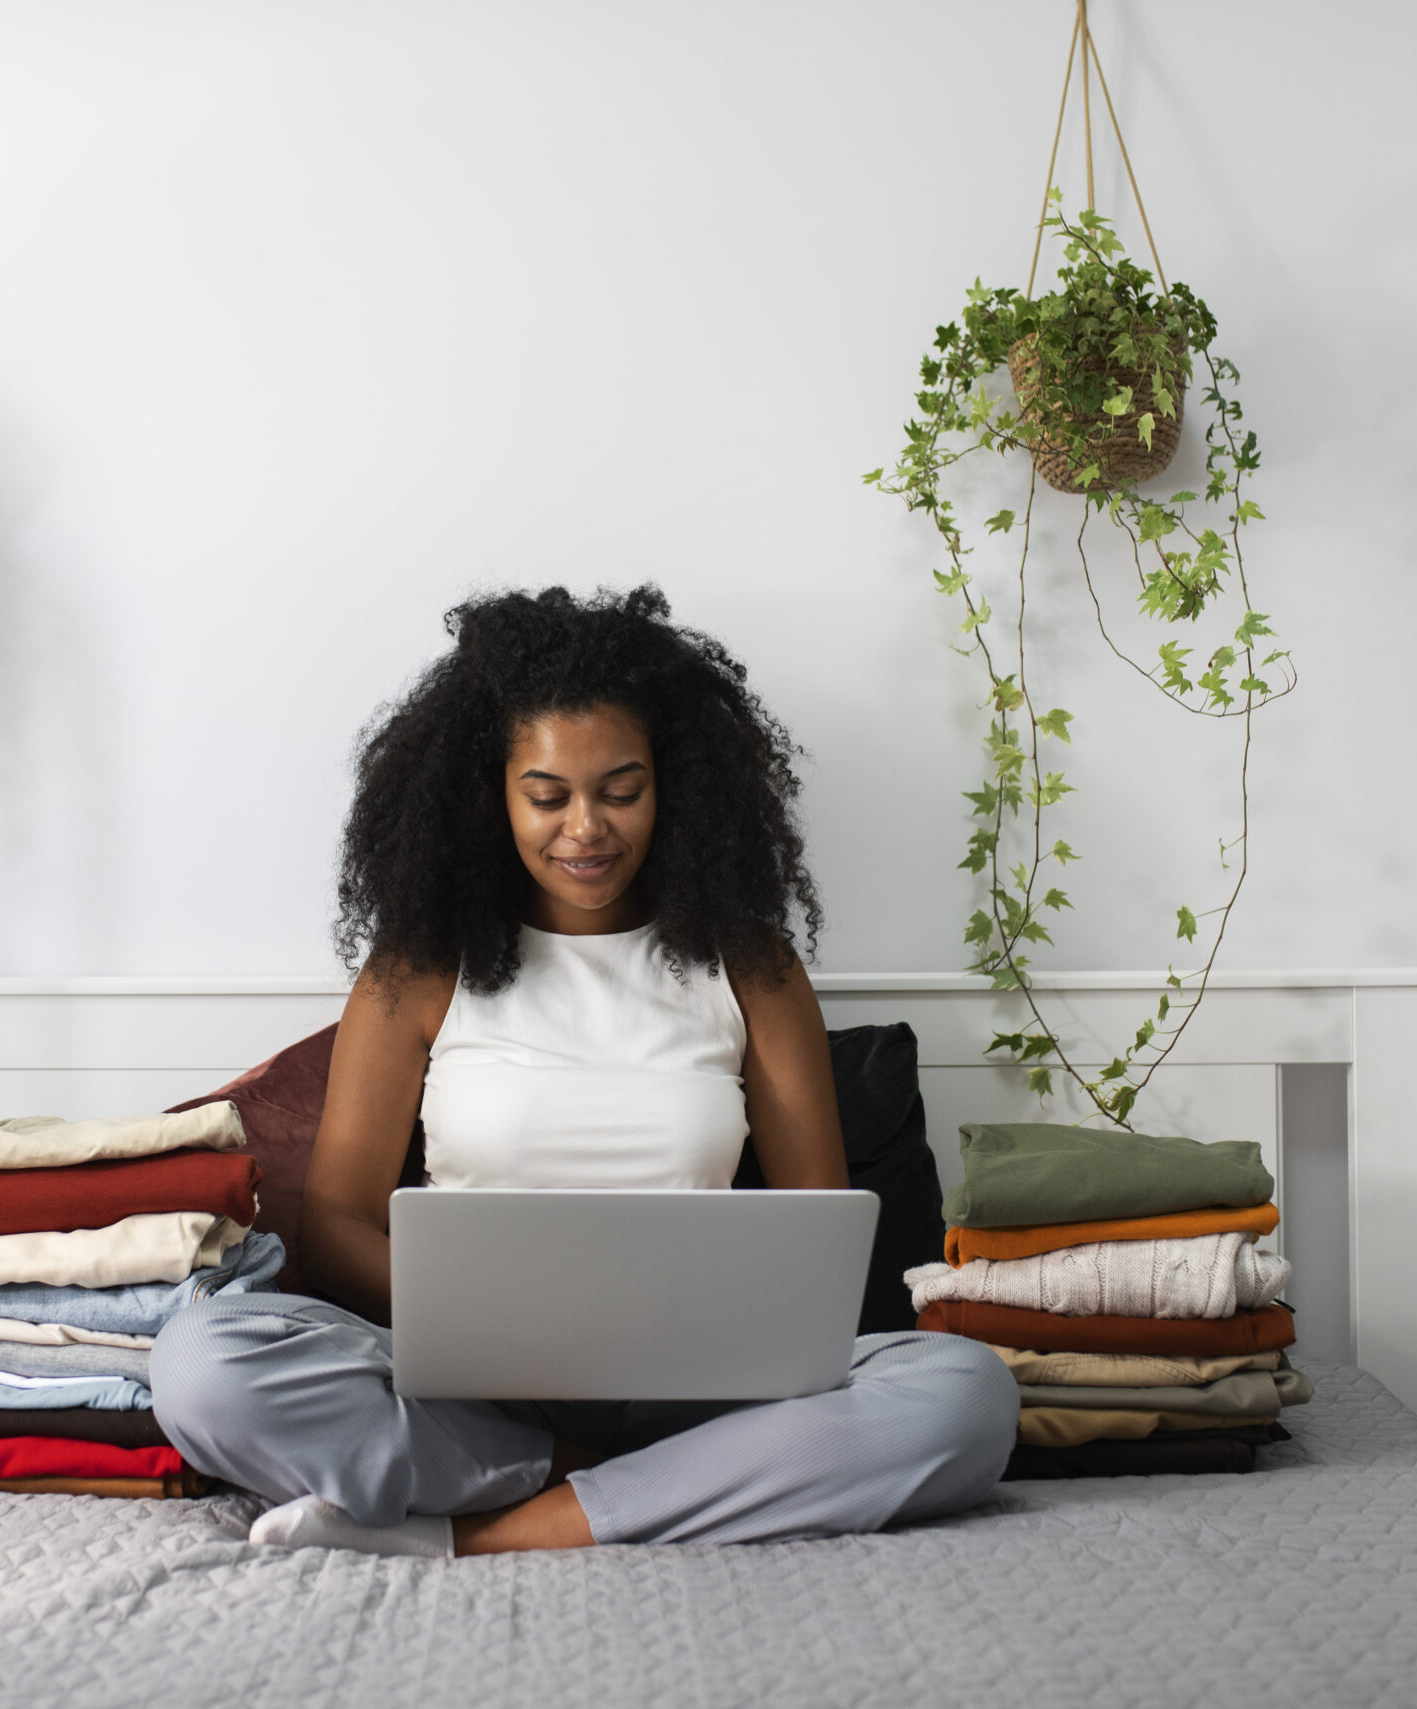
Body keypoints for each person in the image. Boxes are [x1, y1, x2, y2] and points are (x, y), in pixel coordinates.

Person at [152, 586, 1017, 1555]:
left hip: (701, 1389)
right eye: (548, 794)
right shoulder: (417, 967)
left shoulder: (750, 963)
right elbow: (339, 1218)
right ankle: (645, 1491)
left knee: (964, 1392)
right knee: (204, 1362)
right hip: (480, 1390)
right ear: (493, 790)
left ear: (671, 784)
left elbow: (818, 1216)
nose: (585, 828)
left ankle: (479, 1531)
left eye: (620, 788)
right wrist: (475, 1315)